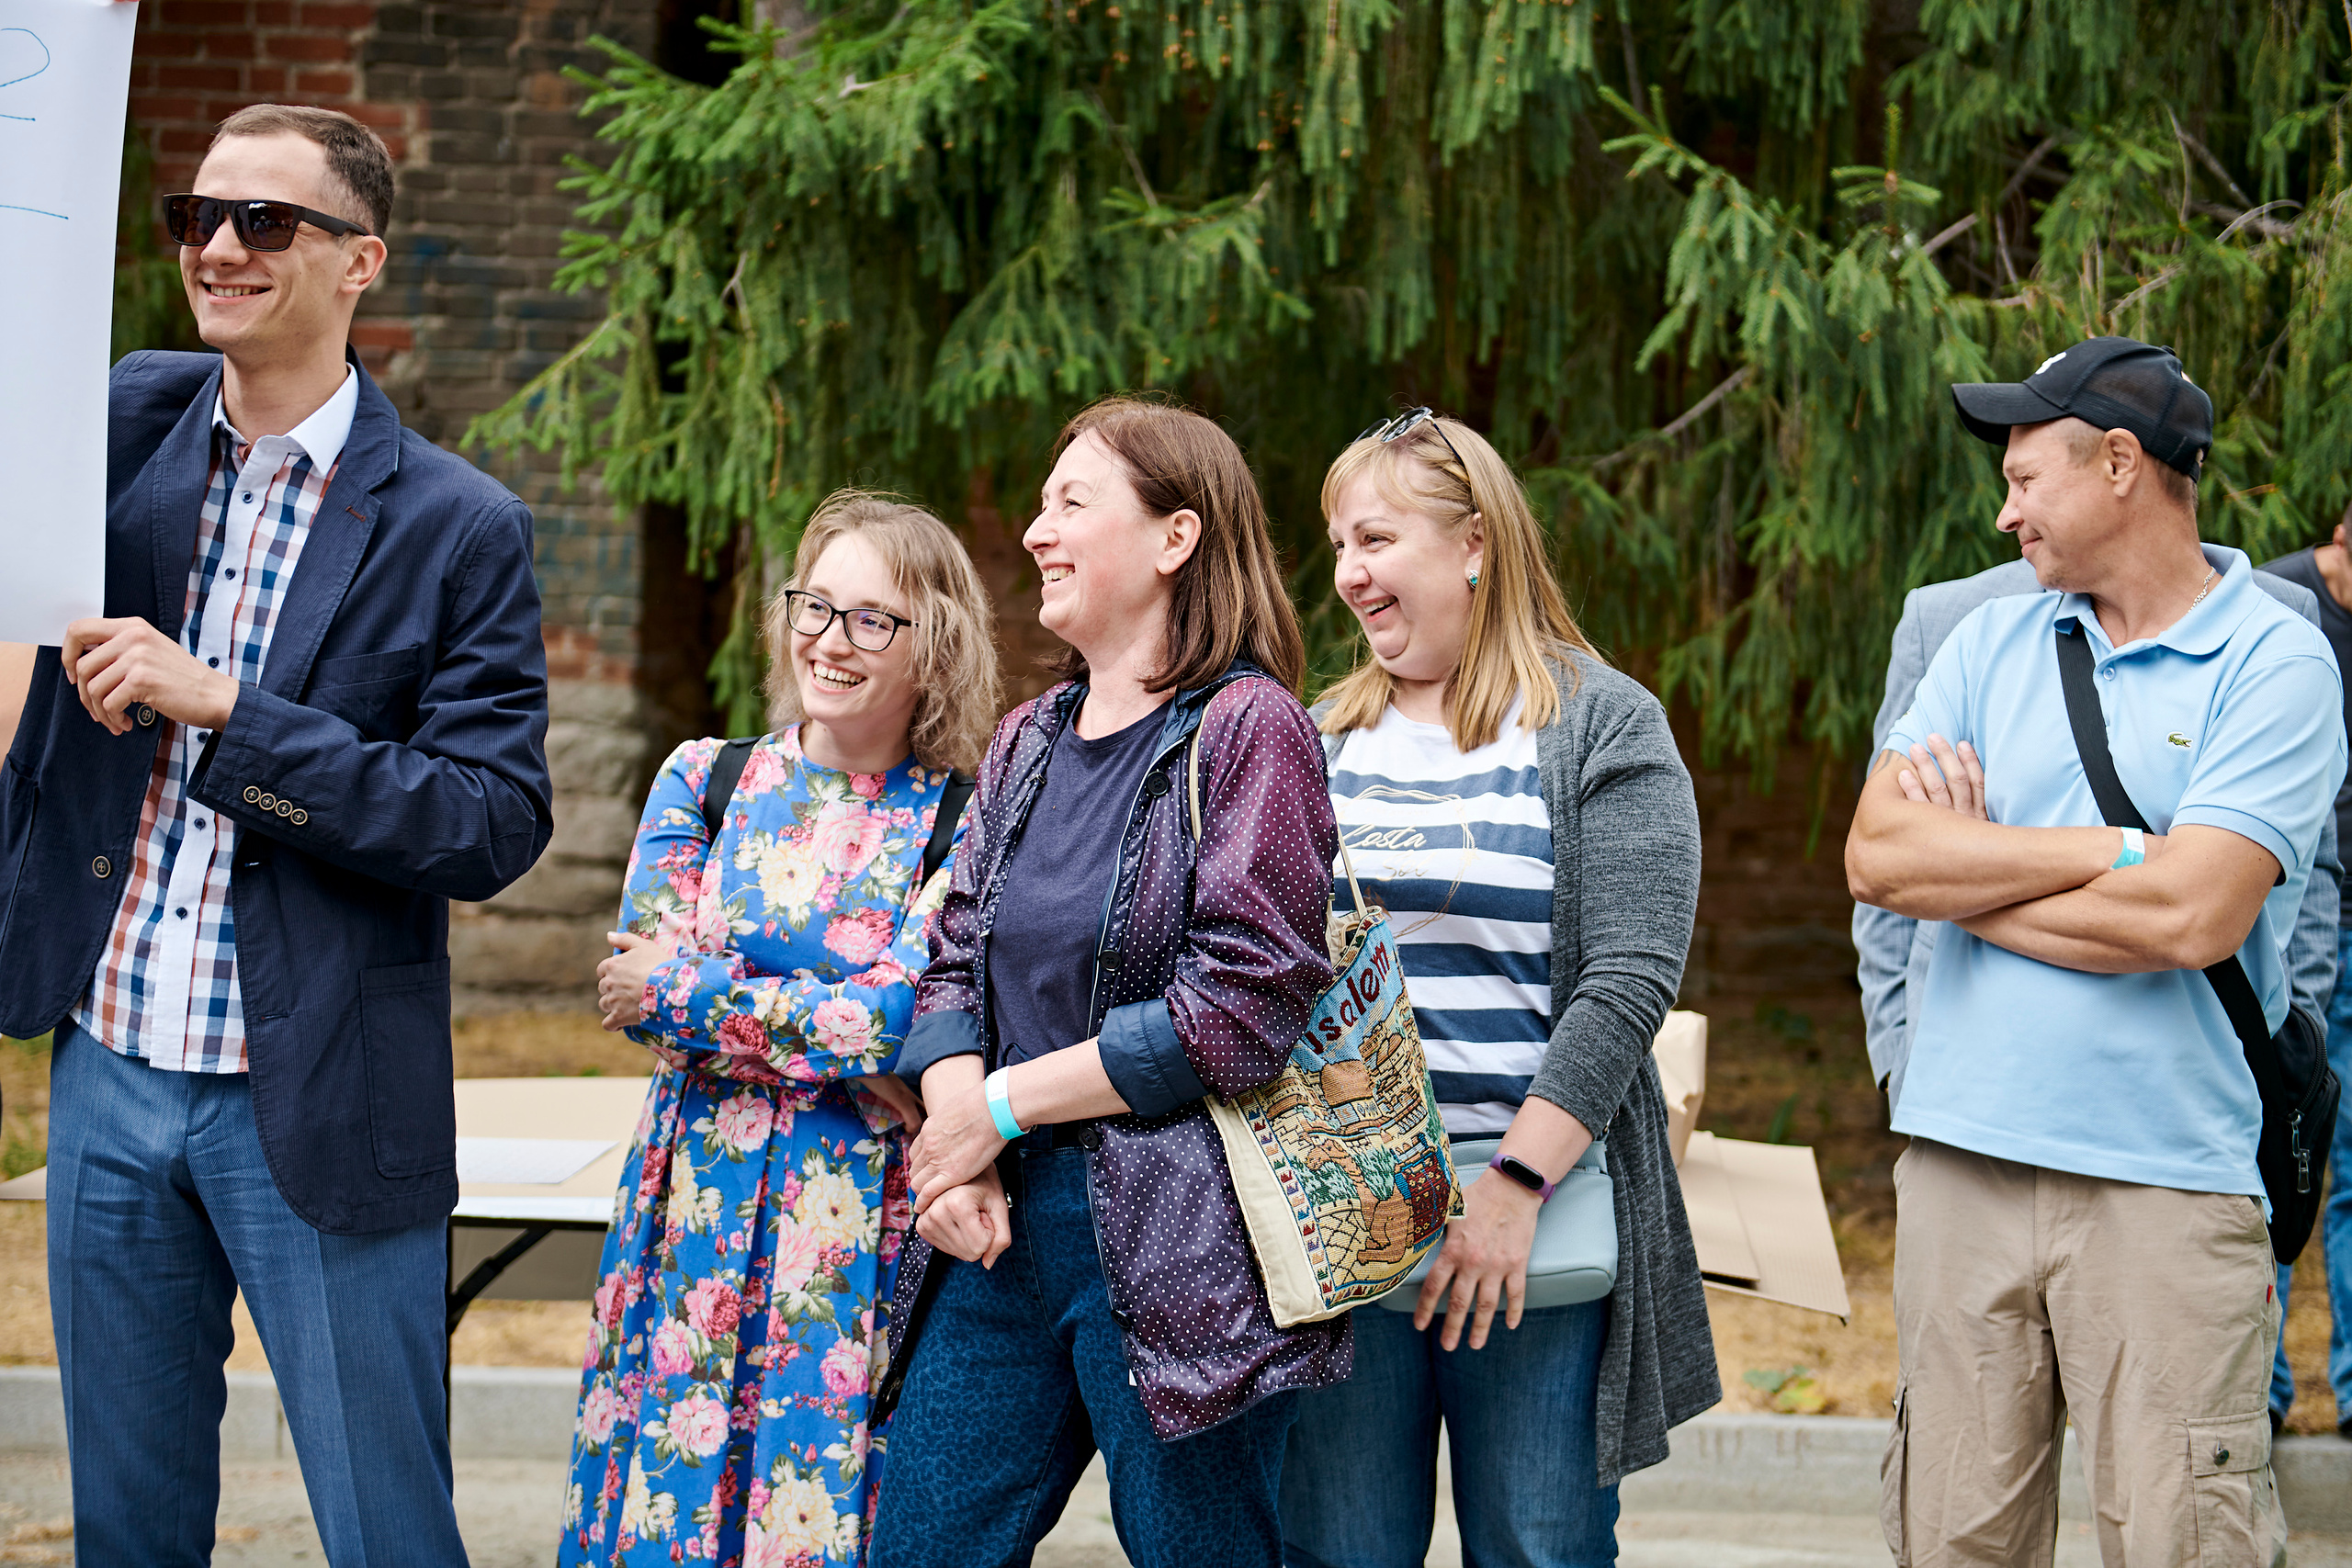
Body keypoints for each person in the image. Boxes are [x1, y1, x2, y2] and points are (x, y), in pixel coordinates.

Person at [0, 106, 554, 1565]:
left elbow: (490, 818)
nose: (221, 247)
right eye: (199, 217)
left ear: (360, 259)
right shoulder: (117, 424)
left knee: (385, 1529)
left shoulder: (459, 523)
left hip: (309, 1083)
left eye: (266, 222)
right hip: (109, 1063)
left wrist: (230, 715)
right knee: (126, 1528)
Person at [1846, 337, 2346, 1565]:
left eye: (2027, 478)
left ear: (2121, 464)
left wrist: (1980, 873)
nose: (2005, 509)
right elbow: (1878, 856)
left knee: (2188, 1538)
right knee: (1953, 1539)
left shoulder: (2278, 659)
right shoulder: (1984, 640)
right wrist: (2120, 849)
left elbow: (2192, 919)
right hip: (1961, 1167)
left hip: (2165, 1187)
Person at [867, 397, 1348, 1568]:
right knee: (921, 1548)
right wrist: (958, 1129)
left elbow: (1241, 1006)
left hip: (1181, 1235)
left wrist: (998, 1108)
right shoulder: (1033, 735)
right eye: (1041, 504)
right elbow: (953, 952)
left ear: (1175, 537)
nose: (1037, 529)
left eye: (1071, 502)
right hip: (994, 1230)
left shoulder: (1250, 728)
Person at [1278, 410, 1719, 1568]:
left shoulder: (1601, 724)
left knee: (1537, 1548)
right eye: (1336, 546)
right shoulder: (1314, 738)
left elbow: (1626, 982)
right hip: (1345, 1236)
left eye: (1374, 539)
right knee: (1339, 1553)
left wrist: (1514, 1185)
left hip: (1532, 1239)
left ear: (1472, 542)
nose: (1349, 575)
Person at [562, 491, 1001, 1567]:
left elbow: (894, 1015)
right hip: (689, 1213)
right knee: (667, 1506)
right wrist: (835, 1043)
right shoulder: (702, 780)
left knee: (826, 1506)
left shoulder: (962, 816)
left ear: (933, 646)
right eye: (815, 605)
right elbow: (632, 997)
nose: (828, 639)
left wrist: (699, 993)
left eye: (870, 619)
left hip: (853, 1229)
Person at [1855, 569, 2342, 1118]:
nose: (2008, 513)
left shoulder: (2277, 623)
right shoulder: (1949, 617)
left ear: (2119, 476)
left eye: (2028, 478)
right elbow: (1883, 869)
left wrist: (2298, 1038)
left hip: (2180, 1105)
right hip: (1957, 1100)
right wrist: (1899, 1058)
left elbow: (2309, 864)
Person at [2259, 499, 2352, 1439]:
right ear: (2336, 545)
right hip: (2313, 931)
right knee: (2280, 1155)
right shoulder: (2282, 613)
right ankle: (2264, 1390)